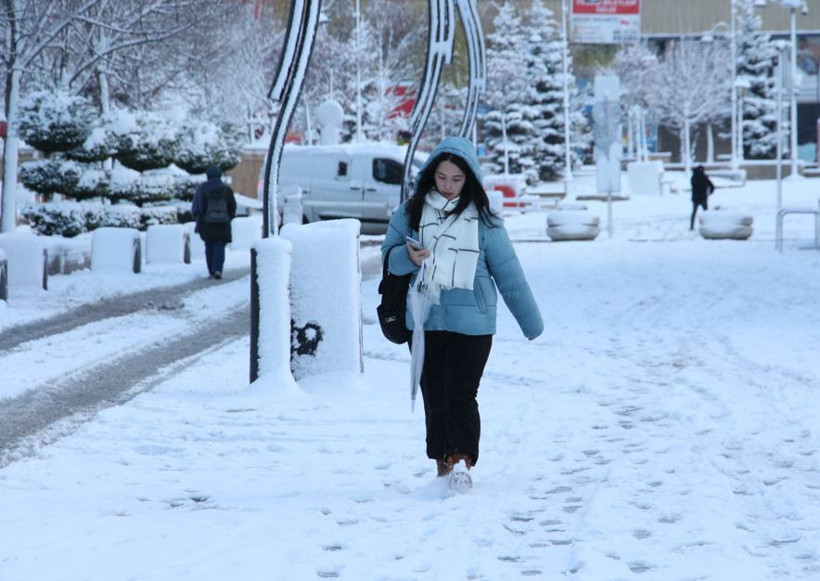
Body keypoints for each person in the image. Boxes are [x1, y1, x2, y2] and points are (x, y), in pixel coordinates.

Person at [381, 136, 544, 486]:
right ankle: (442, 462)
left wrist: (530, 323)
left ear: (469, 179)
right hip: (424, 318)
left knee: (459, 393)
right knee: (433, 394)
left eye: (456, 179)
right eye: (442, 177)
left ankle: (461, 460)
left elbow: (510, 275)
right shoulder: (409, 214)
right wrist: (407, 257)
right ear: (431, 174)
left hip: (473, 323)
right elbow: (388, 260)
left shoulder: (485, 222)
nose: (448, 185)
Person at [191, 165, 237, 279]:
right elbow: (232, 207)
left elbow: (197, 208)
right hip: (223, 223)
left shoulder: (202, 189)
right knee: (220, 245)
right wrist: (228, 218)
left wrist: (200, 219)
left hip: (207, 223)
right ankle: (218, 269)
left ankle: (211, 270)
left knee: (209, 246)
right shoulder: (226, 190)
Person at [690, 165, 715, 231]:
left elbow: (693, 185)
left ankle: (691, 226)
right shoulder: (704, 177)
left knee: (694, 212)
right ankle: (707, 225)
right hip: (703, 197)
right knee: (706, 213)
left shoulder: (693, 177)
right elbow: (712, 186)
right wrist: (710, 192)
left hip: (695, 197)